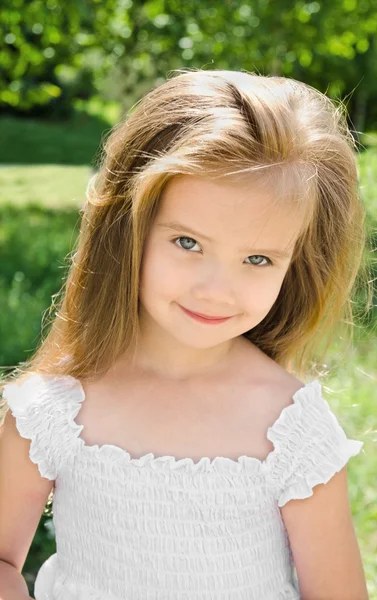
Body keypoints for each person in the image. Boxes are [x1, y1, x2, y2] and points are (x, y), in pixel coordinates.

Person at [0, 69, 370, 600]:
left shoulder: (292, 428)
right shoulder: (54, 409)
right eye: (189, 243)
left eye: (258, 258)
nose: (217, 290)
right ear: (127, 226)